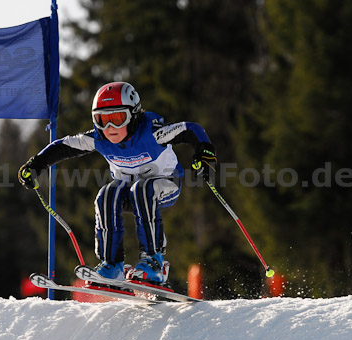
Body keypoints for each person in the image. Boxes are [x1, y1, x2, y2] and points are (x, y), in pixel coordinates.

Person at [18, 82, 216, 285]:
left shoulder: (153, 133)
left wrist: (204, 152)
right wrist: (37, 164)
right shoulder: (98, 138)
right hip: (130, 194)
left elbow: (190, 129)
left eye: (117, 119)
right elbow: (64, 146)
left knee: (143, 188)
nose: (110, 128)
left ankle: (154, 261)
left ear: (135, 114)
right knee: (106, 194)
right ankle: (112, 265)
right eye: (102, 120)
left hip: (165, 188)